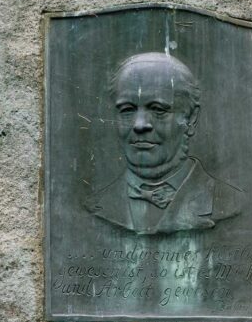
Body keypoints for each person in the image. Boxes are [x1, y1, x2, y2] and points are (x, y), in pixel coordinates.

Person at [88, 51, 243, 234]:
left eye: (158, 110)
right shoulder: (94, 206)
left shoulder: (231, 203)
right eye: (127, 110)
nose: (140, 125)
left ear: (191, 119)